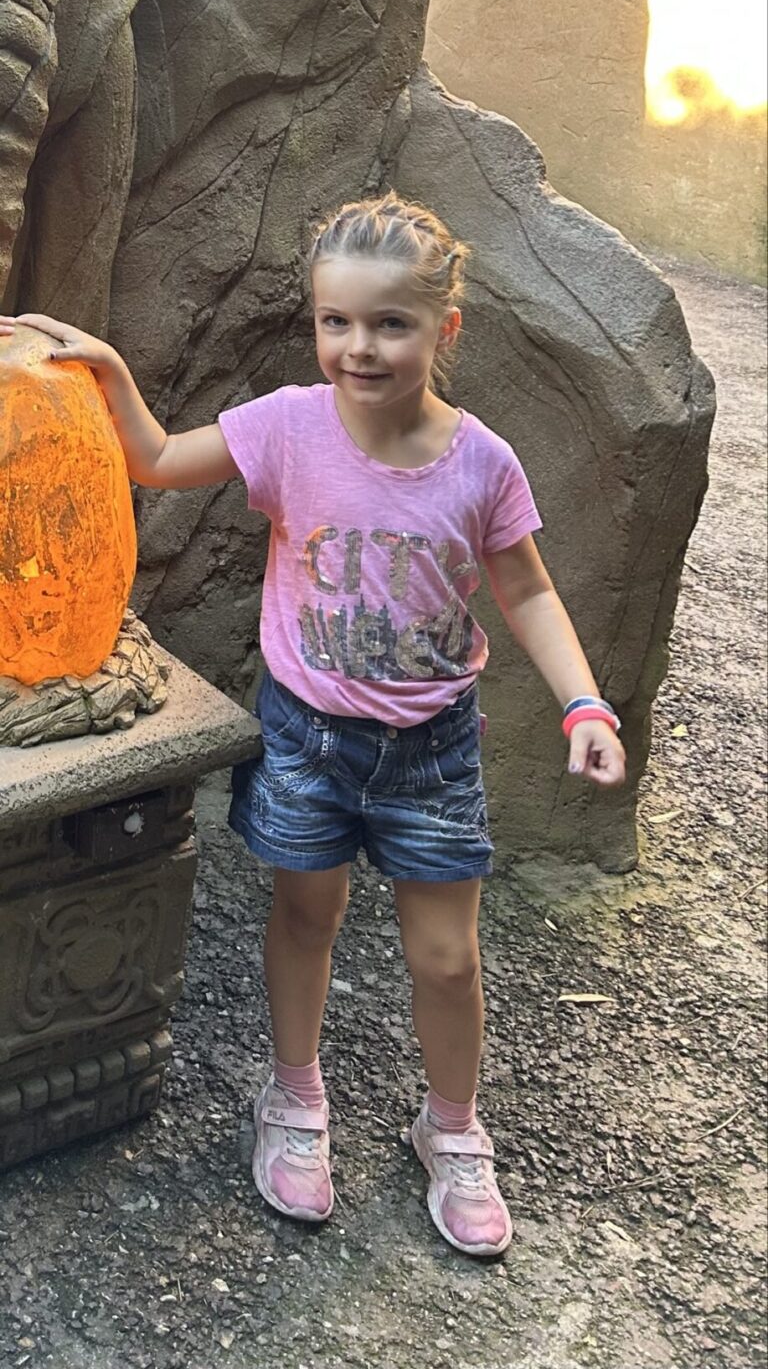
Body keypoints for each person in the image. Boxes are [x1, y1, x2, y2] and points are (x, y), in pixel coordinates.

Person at [0, 193, 625, 1258]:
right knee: (305, 917)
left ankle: (452, 1126)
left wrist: (584, 700)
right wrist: (107, 369)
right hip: (307, 740)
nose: (359, 346)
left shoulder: (482, 461)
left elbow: (525, 588)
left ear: (445, 328)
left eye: (390, 323)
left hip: (431, 752)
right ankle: (294, 1096)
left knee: (447, 958)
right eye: (337, 321)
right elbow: (156, 458)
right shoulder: (289, 423)